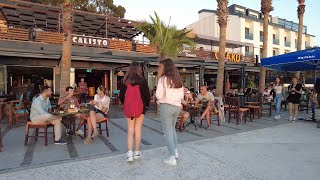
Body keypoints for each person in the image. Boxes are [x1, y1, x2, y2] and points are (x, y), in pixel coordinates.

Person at [119, 62, 150, 162]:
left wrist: (127, 104)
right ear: (139, 69)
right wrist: (146, 106)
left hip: (129, 109)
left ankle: (129, 154)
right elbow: (147, 96)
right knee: (138, 129)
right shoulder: (142, 81)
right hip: (141, 108)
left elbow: (121, 96)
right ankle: (137, 152)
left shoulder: (125, 80)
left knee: (130, 129)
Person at [156, 59, 184, 166]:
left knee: (167, 132)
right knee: (172, 130)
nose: (159, 68)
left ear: (165, 67)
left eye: (160, 66)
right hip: (176, 107)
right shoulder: (177, 80)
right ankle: (175, 151)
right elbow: (181, 96)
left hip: (166, 107)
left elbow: (158, 95)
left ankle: (172, 157)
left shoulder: (163, 79)